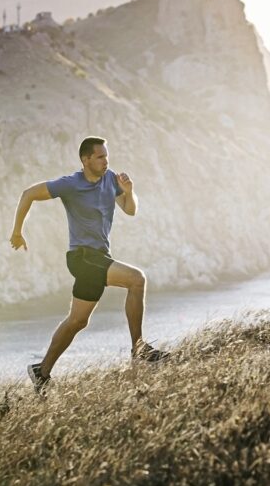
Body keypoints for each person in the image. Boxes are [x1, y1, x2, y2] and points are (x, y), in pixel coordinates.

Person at [10, 136, 169, 394]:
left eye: (107, 156)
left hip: (99, 257)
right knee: (136, 279)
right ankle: (138, 348)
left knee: (77, 321)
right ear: (85, 160)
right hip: (82, 257)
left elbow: (130, 210)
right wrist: (17, 232)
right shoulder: (70, 184)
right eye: (100, 157)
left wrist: (129, 191)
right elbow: (28, 194)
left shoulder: (110, 179)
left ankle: (42, 371)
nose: (106, 161)